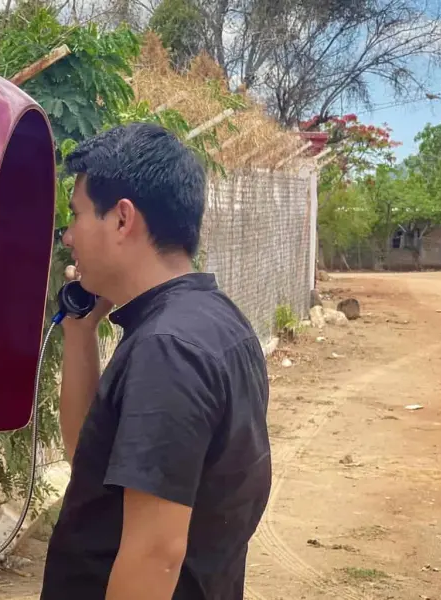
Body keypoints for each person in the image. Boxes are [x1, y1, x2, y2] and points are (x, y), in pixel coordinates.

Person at [40, 122, 272, 600]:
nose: (68, 236)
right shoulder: (211, 321)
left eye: (77, 215)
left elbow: (156, 553)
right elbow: (87, 459)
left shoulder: (168, 349)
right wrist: (80, 333)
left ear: (123, 220)